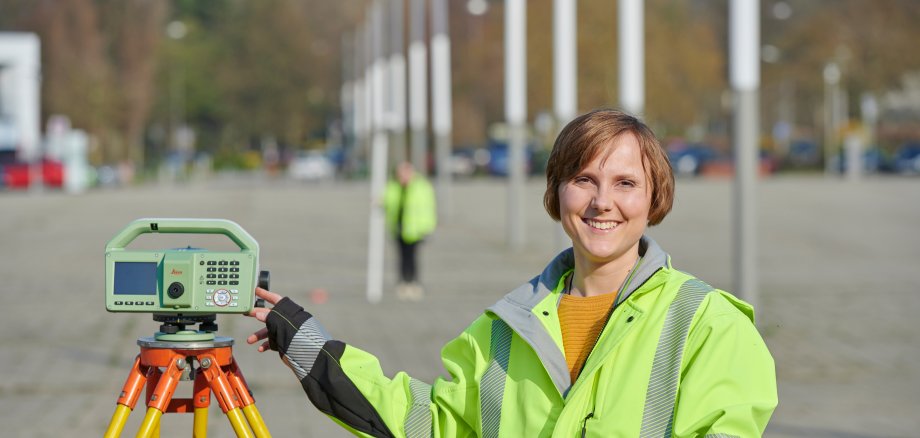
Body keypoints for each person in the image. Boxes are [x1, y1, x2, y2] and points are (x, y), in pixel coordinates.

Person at [247, 109, 777, 437]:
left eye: (625, 183)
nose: (601, 203)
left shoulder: (708, 325)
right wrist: (310, 347)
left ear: (655, 196)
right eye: (584, 179)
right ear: (556, 193)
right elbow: (431, 425)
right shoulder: (502, 330)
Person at [385, 161, 437, 300]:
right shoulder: (393, 187)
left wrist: (428, 228)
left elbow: (428, 209)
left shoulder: (421, 187)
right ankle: (403, 282)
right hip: (398, 227)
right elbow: (387, 202)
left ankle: (413, 282)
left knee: (412, 257)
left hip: (414, 229)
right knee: (401, 257)